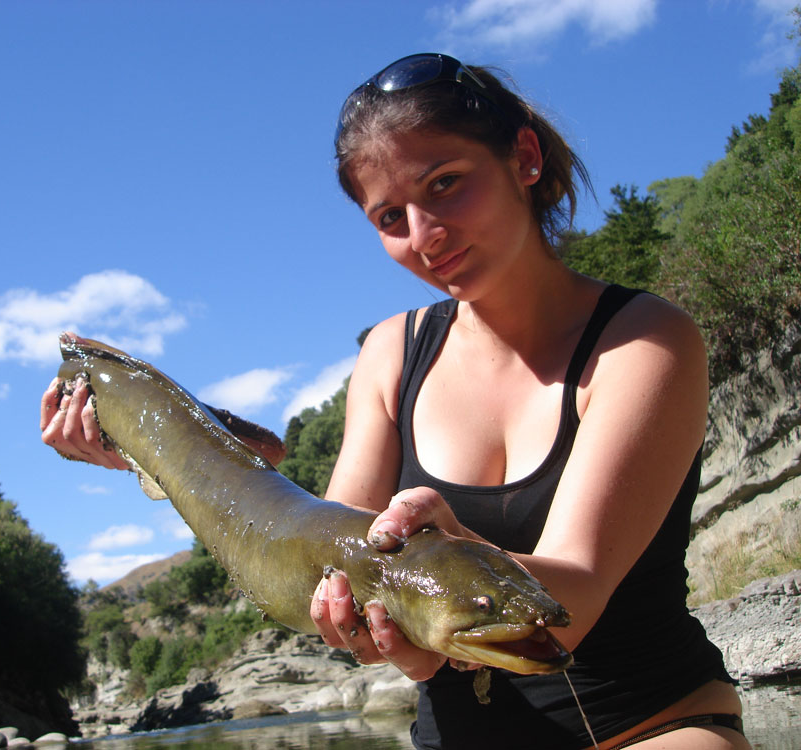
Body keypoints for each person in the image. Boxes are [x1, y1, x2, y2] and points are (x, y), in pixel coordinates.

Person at [41, 53, 750, 749]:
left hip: (654, 725)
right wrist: (176, 448)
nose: (424, 235)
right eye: (389, 218)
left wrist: (446, 563)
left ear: (524, 157)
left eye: (445, 183)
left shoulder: (645, 342)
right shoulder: (391, 351)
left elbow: (577, 599)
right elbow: (321, 552)